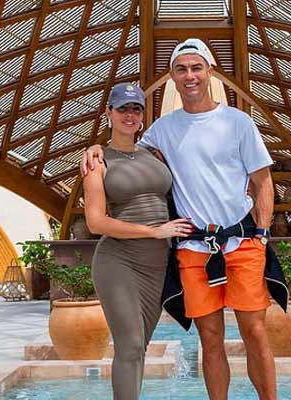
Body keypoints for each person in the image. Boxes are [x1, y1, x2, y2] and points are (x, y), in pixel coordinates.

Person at [81, 39, 288, 400]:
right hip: (194, 249)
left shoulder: (238, 122)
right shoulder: (162, 130)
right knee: (210, 337)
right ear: (173, 77)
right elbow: (125, 149)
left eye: (196, 68)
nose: (190, 75)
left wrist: (262, 233)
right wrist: (95, 147)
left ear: (210, 72)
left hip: (242, 242)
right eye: (181, 69)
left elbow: (263, 181)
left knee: (255, 332)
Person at [82, 82, 193, 400]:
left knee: (138, 347)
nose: (129, 115)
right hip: (120, 262)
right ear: (109, 113)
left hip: (157, 266)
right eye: (122, 109)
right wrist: (155, 232)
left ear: (143, 116)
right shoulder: (97, 162)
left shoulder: (153, 154)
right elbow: (95, 222)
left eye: (136, 109)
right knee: (129, 346)